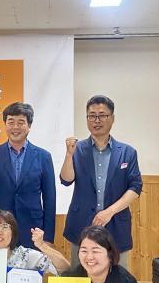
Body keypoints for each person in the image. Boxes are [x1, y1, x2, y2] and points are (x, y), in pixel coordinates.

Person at [60, 95, 142, 268]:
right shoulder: (77, 149)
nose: (96, 120)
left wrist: (109, 212)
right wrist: (68, 155)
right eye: (91, 116)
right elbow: (66, 180)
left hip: (115, 223)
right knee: (80, 276)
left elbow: (135, 187)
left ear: (112, 118)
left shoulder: (127, 152)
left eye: (102, 115)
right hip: (82, 223)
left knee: (118, 276)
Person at [0, 102, 56, 247]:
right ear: (5, 125)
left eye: (21, 122)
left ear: (29, 126)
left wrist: (48, 237)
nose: (15, 127)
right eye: (11, 122)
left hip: (32, 228)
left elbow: (50, 199)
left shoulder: (43, 156)